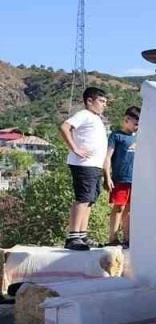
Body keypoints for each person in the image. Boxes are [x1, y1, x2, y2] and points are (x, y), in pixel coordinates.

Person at [59, 87, 109, 251]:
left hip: (94, 165)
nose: (104, 105)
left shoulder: (97, 118)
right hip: (83, 164)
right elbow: (64, 127)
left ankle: (82, 235)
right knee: (83, 198)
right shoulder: (84, 114)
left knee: (90, 199)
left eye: (105, 102)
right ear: (89, 100)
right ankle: (73, 237)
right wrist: (74, 148)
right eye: (101, 101)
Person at [104, 106, 139, 247]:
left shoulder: (138, 137)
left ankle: (127, 238)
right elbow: (107, 157)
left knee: (130, 210)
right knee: (119, 208)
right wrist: (107, 176)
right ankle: (112, 238)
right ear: (127, 120)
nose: (137, 127)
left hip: (135, 180)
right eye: (135, 123)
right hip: (120, 179)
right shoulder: (116, 136)